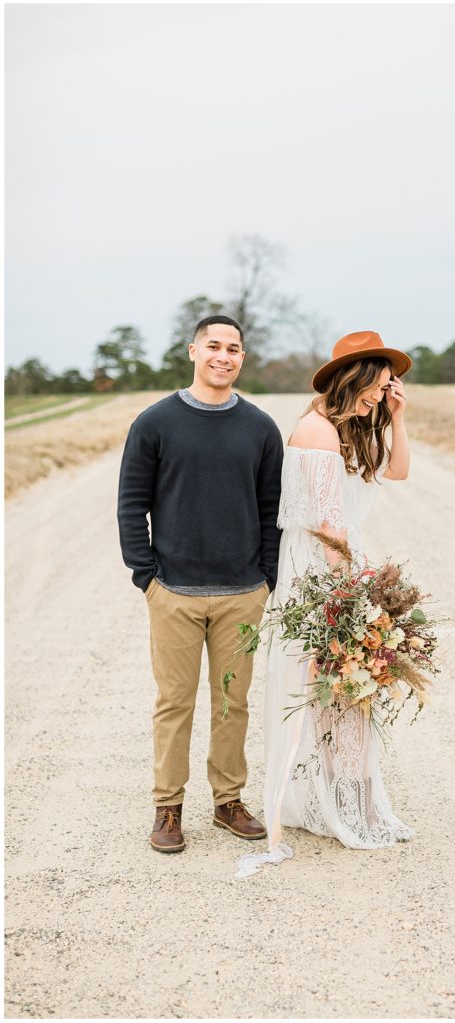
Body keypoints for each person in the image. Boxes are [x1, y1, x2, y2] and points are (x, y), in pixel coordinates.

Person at [238, 330, 413, 877]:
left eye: (388, 389)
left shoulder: (354, 428)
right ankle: (332, 803)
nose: (381, 397)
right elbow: (328, 526)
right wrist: (354, 597)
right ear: (352, 378)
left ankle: (343, 799)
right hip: (321, 572)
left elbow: (400, 470)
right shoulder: (316, 431)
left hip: (341, 563)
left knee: (346, 689)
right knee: (328, 685)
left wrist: (398, 419)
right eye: (377, 387)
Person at [117, 315, 283, 853]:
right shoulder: (155, 422)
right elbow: (131, 504)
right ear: (193, 350)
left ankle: (228, 801)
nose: (224, 356)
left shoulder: (259, 427)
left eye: (233, 348)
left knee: (234, 704)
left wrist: (266, 578)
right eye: (214, 345)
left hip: (241, 594)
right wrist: (146, 576)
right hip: (175, 594)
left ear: (241, 358)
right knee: (174, 703)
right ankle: (168, 809)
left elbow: (270, 510)